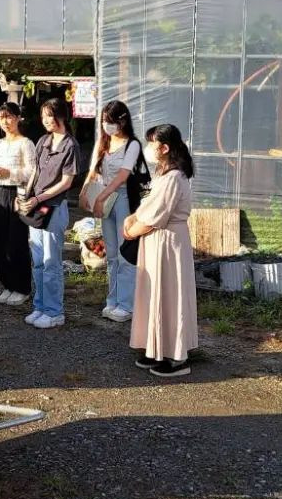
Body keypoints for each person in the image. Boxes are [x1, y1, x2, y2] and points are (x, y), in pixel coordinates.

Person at [122, 123, 198, 378]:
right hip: (157, 243)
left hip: (167, 243)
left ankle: (176, 357)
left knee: (169, 295)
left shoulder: (174, 177)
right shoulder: (164, 175)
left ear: (164, 148)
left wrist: (131, 230)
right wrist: (132, 219)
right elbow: (149, 207)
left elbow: (157, 215)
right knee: (153, 294)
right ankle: (155, 348)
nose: (149, 148)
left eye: (152, 143)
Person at [21, 97, 80, 330]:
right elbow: (34, 172)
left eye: (50, 115)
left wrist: (39, 198)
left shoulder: (70, 145)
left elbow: (66, 182)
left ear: (62, 116)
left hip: (54, 206)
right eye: (44, 115)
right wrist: (26, 196)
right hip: (37, 205)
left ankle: (55, 312)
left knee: (51, 261)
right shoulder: (43, 141)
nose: (46, 120)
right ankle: (40, 306)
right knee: (37, 259)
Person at [85, 99, 142, 323]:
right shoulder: (104, 142)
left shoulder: (132, 144)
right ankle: (113, 300)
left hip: (123, 200)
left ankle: (127, 304)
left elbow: (123, 175)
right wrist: (84, 193)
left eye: (110, 122)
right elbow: (93, 171)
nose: (106, 126)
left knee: (124, 252)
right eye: (103, 121)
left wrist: (101, 196)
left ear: (122, 121)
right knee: (110, 254)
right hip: (105, 200)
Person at [0, 102, 37, 306]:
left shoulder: (26, 143)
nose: (5, 122)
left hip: (16, 193)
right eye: (1, 117)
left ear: (18, 118)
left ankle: (22, 287)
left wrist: (10, 173)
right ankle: (7, 283)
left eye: (9, 117)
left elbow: (32, 172)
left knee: (16, 242)